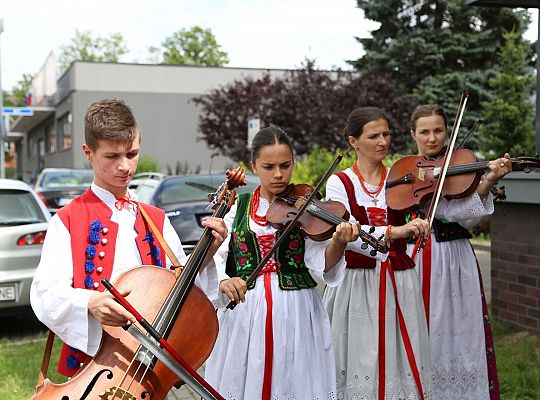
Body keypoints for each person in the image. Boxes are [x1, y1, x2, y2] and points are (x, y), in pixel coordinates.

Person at [30, 99, 227, 377]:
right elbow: (45, 292)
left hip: (152, 365)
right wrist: (90, 302)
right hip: (92, 368)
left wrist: (207, 253)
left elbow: (180, 285)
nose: (125, 166)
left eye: (132, 154)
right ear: (89, 152)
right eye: (112, 156)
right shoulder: (67, 220)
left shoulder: (156, 218)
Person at [204, 126, 364, 400]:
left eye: (285, 165)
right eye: (268, 166)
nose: (278, 174)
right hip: (245, 311)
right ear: (254, 165)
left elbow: (322, 263)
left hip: (296, 311)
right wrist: (223, 280)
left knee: (294, 378)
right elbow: (215, 256)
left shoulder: (307, 208)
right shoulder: (237, 207)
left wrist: (338, 242)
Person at [323, 107, 434, 399]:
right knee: (359, 353)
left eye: (386, 134)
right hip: (356, 284)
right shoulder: (340, 183)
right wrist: (395, 232)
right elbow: (347, 237)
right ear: (353, 141)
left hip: (399, 281)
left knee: (400, 353)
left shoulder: (403, 178)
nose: (383, 141)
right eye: (373, 136)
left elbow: (446, 205)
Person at [408, 104, 511, 400]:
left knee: (461, 330)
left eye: (438, 130)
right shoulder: (405, 172)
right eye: (424, 132)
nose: (432, 138)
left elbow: (466, 218)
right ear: (413, 134)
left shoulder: (460, 170)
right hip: (419, 258)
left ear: (447, 133)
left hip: (456, 259)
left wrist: (488, 180)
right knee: (424, 328)